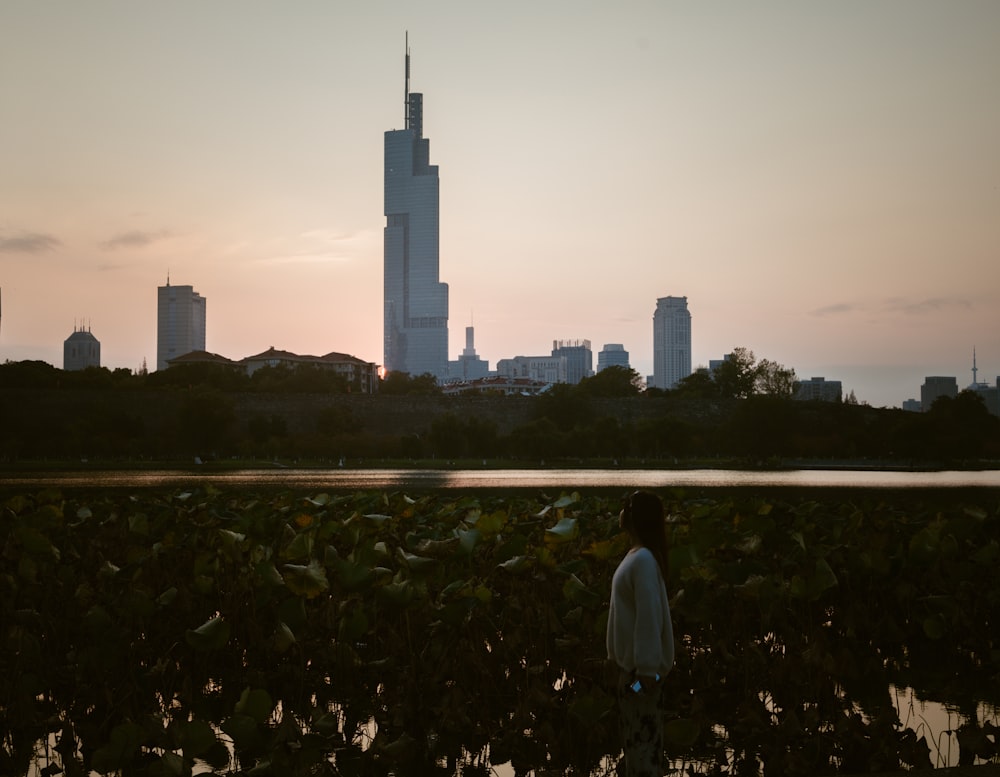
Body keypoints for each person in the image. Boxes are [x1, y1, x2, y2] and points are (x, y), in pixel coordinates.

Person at [606, 489, 675, 776]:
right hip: (633, 674)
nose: (621, 511)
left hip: (642, 677)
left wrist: (646, 671)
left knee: (643, 749)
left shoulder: (643, 560)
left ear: (635, 518)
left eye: (627, 506)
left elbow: (649, 616)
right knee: (636, 747)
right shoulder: (637, 556)